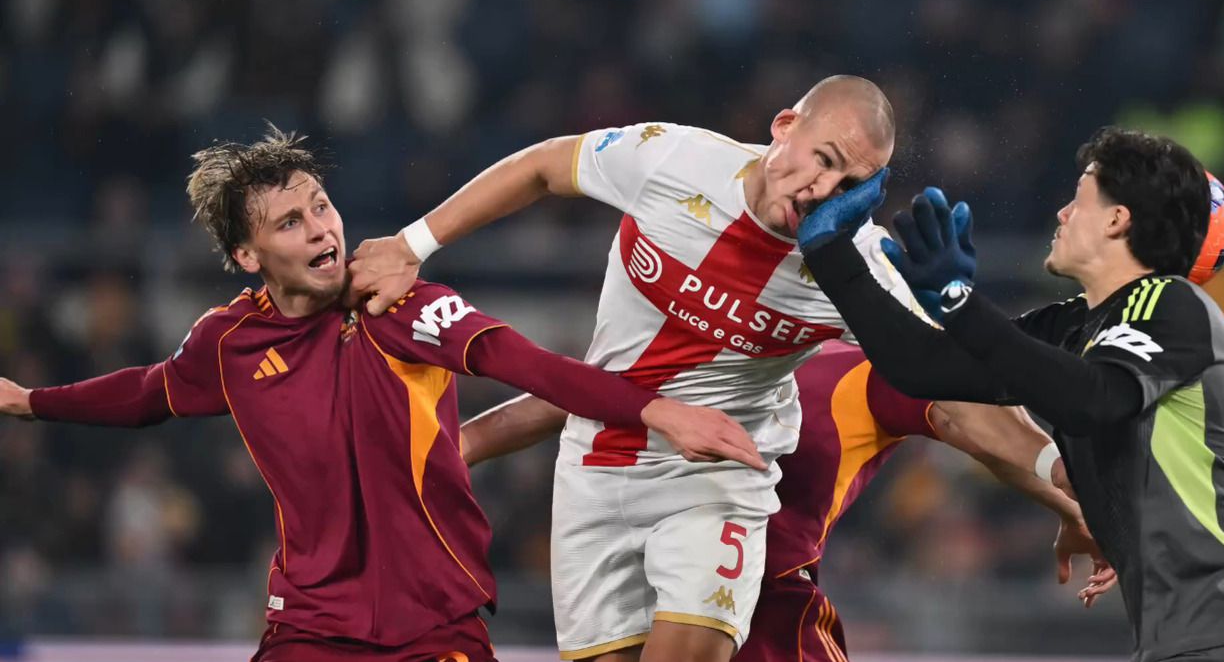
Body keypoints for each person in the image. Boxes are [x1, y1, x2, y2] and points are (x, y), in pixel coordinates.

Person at [345, 75, 1077, 662]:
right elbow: (542, 169)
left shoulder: (853, 268)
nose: (822, 190)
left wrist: (1069, 488)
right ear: (784, 125)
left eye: (850, 182)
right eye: (823, 158)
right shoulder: (675, 161)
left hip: (716, 479)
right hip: (594, 470)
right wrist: (413, 245)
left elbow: (956, 393)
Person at [0, 125, 760, 662]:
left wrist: (656, 410)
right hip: (308, 626)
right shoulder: (227, 343)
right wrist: (30, 401)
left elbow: (529, 364)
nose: (320, 229)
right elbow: (148, 393)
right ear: (246, 254)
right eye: (290, 223)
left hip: (436, 624)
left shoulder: (400, 306)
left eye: (320, 206)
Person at [798, 126, 1224, 661]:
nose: (1062, 214)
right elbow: (923, 368)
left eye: (1078, 200)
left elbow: (1094, 400)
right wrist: (828, 250)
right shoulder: (1076, 324)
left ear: (1117, 220)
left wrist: (961, 303)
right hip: (1190, 643)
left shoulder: (1173, 304)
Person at [458, 341, 1111, 662]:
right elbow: (583, 388)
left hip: (754, 611)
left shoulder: (869, 369)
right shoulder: (726, 338)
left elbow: (979, 422)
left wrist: (1069, 501)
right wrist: (453, 449)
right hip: (664, 601)